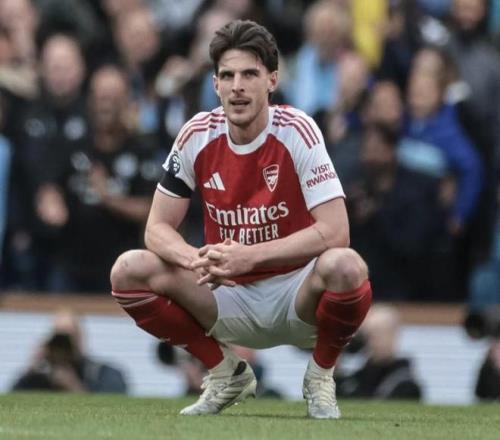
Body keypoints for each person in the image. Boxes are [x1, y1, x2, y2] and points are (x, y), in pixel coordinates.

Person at [110, 20, 372, 419]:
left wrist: (250, 256)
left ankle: (320, 375)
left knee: (347, 266)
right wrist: (194, 259)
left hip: (296, 293)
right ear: (215, 84)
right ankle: (224, 370)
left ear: (272, 80)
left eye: (250, 74)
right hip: (224, 292)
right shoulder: (196, 134)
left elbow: (337, 231)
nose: (238, 87)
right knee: (128, 270)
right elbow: (156, 228)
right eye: (228, 76)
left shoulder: (298, 130)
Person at [12, 309, 127, 393]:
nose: (63, 347)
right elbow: (12, 402)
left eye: (68, 338)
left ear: (80, 338)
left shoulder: (100, 373)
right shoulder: (41, 377)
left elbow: (114, 405)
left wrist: (74, 387)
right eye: (58, 339)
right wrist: (31, 370)